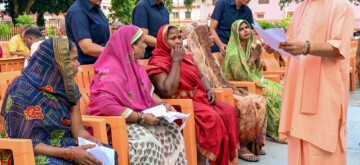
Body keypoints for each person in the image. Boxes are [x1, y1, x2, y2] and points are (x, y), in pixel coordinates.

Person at [0, 37, 117, 164]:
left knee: (107, 154)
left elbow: (77, 128)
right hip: (31, 151)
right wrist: (69, 153)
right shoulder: (22, 89)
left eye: (76, 59)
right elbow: (25, 141)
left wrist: (91, 140)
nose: (78, 64)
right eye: (72, 60)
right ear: (55, 62)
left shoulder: (69, 86)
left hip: (63, 143)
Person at [87, 25, 187, 164]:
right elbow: (105, 105)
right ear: (132, 46)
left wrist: (163, 104)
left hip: (138, 119)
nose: (146, 46)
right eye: (143, 42)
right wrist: (141, 118)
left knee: (172, 131)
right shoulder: (111, 72)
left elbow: (148, 92)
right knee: (148, 142)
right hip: (118, 124)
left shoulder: (135, 65)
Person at [275, 0, 355, 164]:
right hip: (298, 87)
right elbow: (293, 41)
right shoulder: (299, 8)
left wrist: (306, 47)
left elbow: (339, 46)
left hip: (324, 89)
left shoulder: (341, 5)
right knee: (298, 138)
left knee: (321, 145)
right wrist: (278, 44)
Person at [148, 25, 239, 165]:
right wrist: (176, 61)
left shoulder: (188, 55)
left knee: (229, 112)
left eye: (179, 37)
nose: (178, 41)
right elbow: (167, 90)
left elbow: (201, 76)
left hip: (199, 97)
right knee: (211, 118)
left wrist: (209, 89)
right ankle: (200, 161)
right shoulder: (157, 61)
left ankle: (223, 160)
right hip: (178, 103)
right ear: (163, 41)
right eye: (173, 38)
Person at [187, 25, 268, 162]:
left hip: (225, 88)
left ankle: (253, 144)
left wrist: (233, 87)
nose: (213, 38)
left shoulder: (209, 55)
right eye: (209, 35)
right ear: (201, 38)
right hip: (216, 93)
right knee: (246, 103)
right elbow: (208, 82)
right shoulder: (197, 58)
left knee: (261, 100)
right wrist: (252, 60)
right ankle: (241, 146)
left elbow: (223, 79)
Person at [222, 20, 284, 143]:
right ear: (235, 33)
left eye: (247, 27)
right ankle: (277, 131)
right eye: (241, 29)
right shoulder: (233, 54)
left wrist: (257, 58)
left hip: (255, 81)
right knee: (275, 94)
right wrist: (253, 58)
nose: (246, 30)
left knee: (282, 90)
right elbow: (244, 77)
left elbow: (257, 71)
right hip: (241, 87)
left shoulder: (250, 47)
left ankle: (283, 128)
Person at [66, 0, 110, 64]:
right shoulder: (78, 12)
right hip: (87, 69)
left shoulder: (96, 7)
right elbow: (87, 48)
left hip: (102, 66)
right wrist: (112, 51)